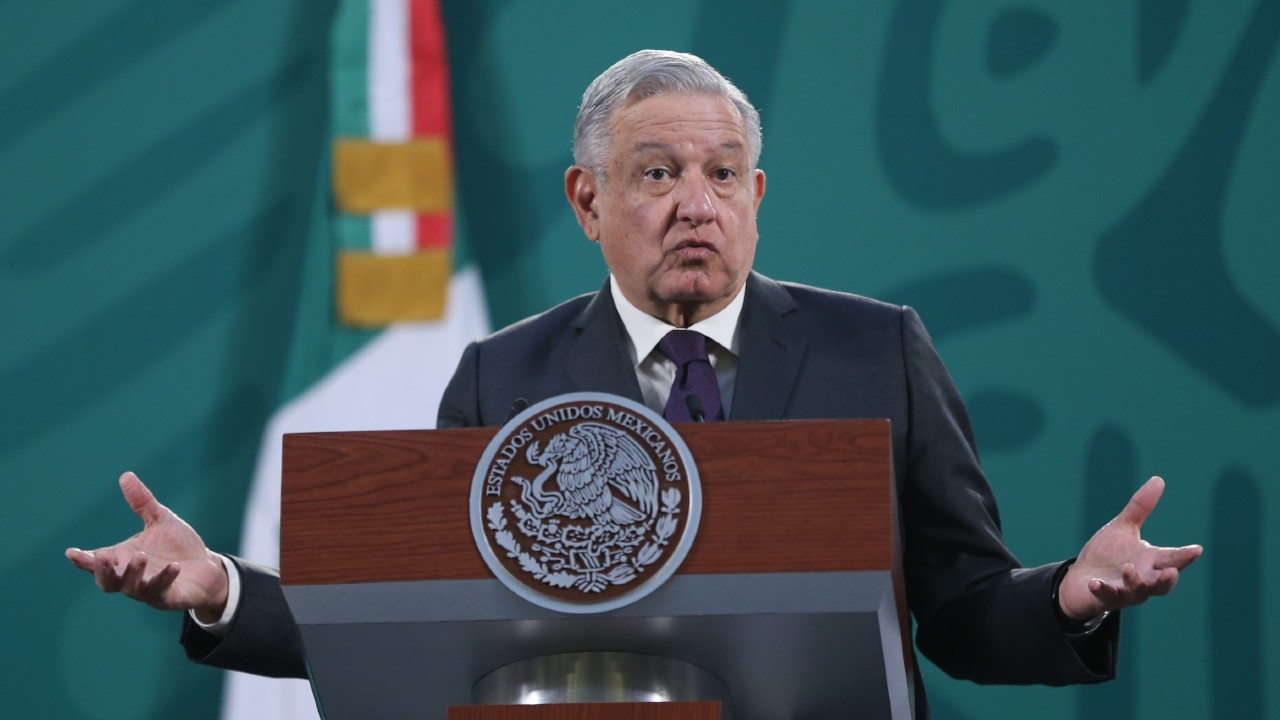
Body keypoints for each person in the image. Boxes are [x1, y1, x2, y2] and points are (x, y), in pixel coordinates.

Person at [67, 49, 1202, 715]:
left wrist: (1067, 594)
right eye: (656, 173)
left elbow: (958, 612)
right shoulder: (502, 375)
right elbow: (408, 621)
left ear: (757, 195)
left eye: (723, 174)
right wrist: (219, 586)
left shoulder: (878, 351)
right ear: (587, 201)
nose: (695, 204)